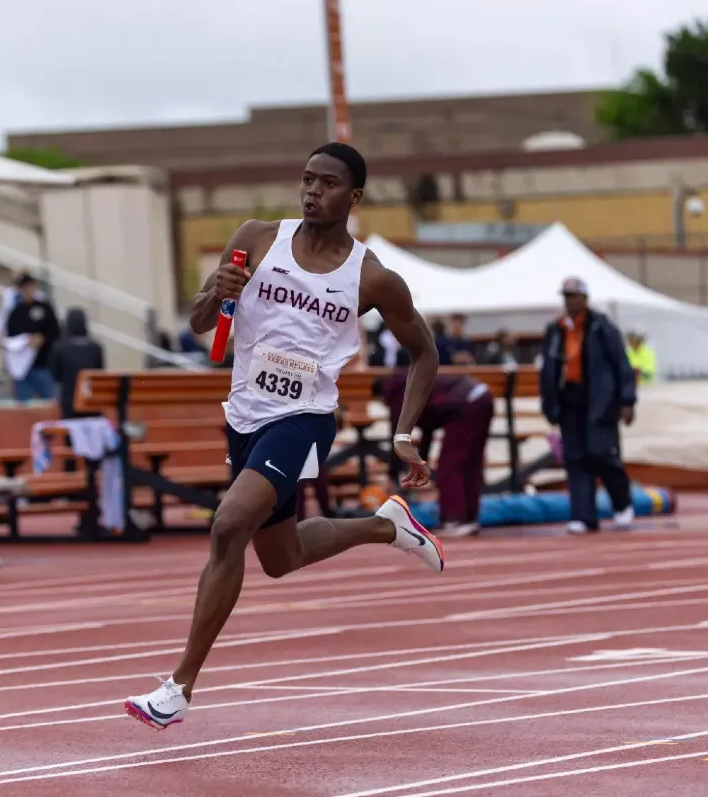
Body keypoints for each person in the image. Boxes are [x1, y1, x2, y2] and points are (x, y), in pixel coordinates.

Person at [124, 142, 444, 731]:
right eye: (306, 180)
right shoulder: (258, 238)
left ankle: (178, 687)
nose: (312, 192)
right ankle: (386, 525)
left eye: (326, 184)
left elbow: (425, 353)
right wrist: (215, 293)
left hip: (303, 419)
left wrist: (405, 434)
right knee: (280, 557)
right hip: (244, 414)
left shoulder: (370, 276)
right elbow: (199, 326)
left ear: (354, 197)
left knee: (228, 526)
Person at [539, 277, 636, 536]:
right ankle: (583, 516)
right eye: (567, 297)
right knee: (575, 458)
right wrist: (550, 404)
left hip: (600, 401)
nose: (570, 301)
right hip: (569, 400)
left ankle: (621, 501)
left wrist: (627, 400)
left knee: (602, 452)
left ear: (585, 298)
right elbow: (548, 370)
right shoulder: (556, 330)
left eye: (574, 296)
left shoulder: (602, 327)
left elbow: (621, 364)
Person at [379, 368, 495, 537]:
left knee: (450, 466)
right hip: (483, 396)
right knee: (471, 463)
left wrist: (392, 475)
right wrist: (420, 463)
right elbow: (429, 426)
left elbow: (398, 439)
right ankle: (469, 518)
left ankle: (453, 520)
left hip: (464, 405)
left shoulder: (398, 396)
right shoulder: (415, 384)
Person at [2, 274, 62, 401]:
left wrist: (43, 339)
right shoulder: (15, 312)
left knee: (49, 401)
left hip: (43, 364)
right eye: (24, 288)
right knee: (24, 404)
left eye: (30, 287)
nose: (27, 291)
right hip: (22, 367)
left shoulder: (44, 308)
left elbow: (55, 332)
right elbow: (10, 337)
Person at [48, 308, 105, 419]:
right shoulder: (95, 347)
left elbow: (55, 376)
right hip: (92, 402)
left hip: (70, 403)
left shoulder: (59, 347)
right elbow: (100, 372)